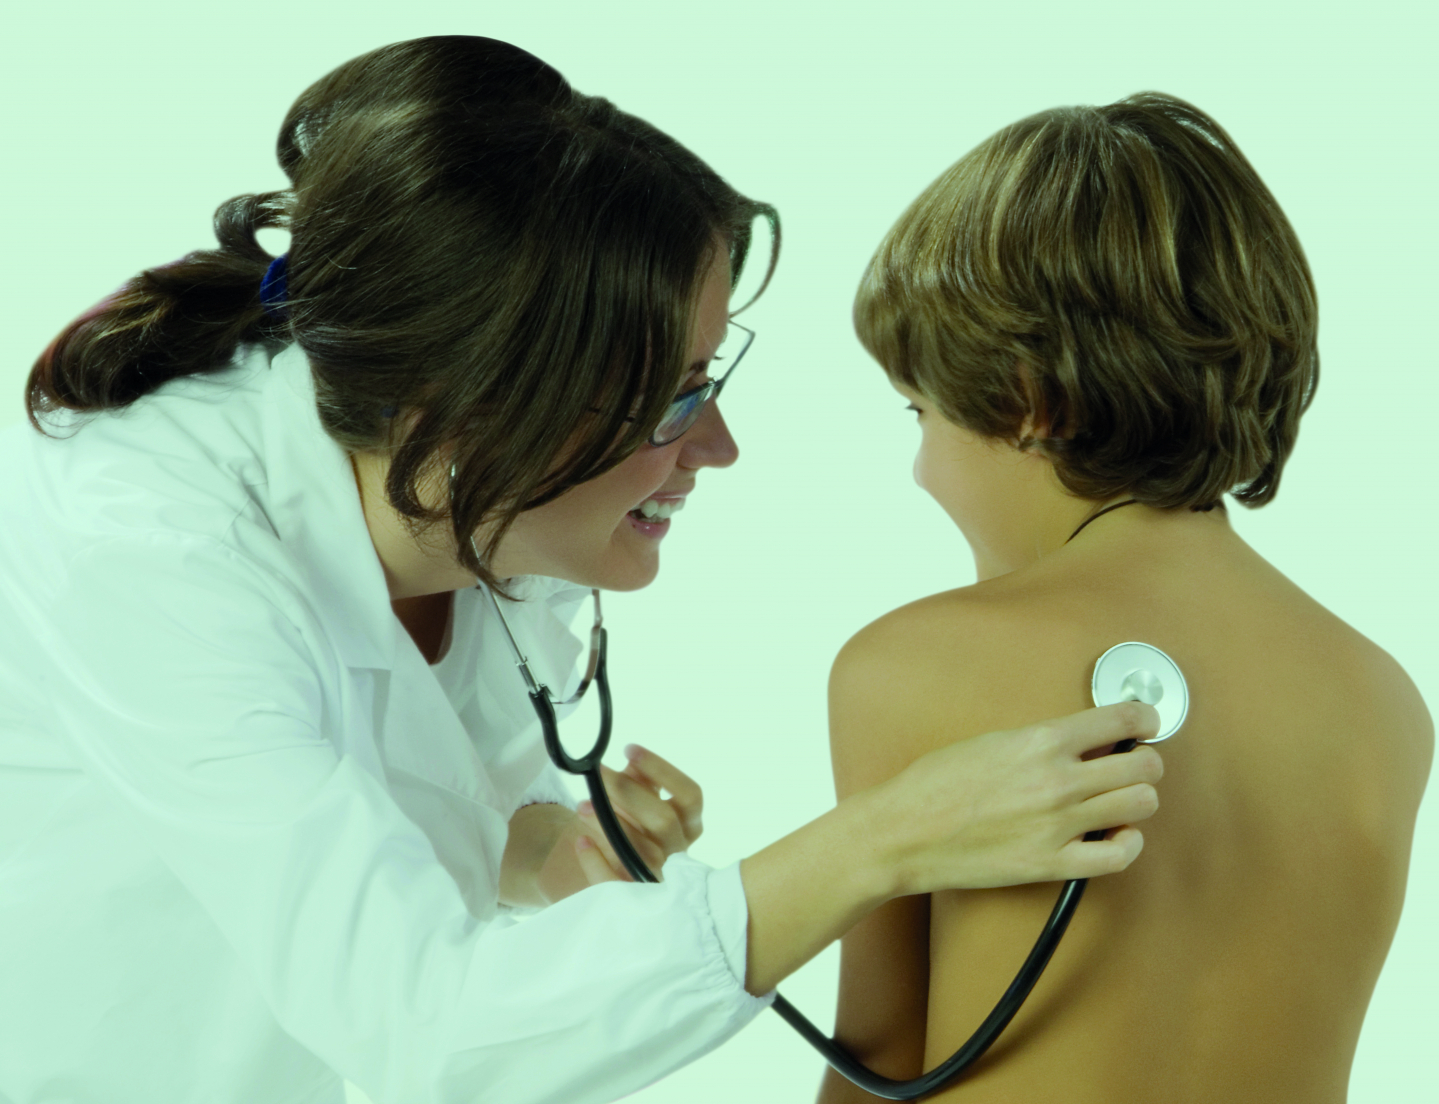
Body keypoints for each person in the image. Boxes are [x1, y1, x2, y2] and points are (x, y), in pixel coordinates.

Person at [0, 36, 1166, 1104]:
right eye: (674, 398)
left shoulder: (478, 509)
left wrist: (544, 852)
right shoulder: (146, 549)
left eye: (708, 378)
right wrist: (883, 841)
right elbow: (419, 1023)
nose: (718, 447)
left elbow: (399, 789)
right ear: (474, 412)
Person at [818, 93, 1434, 1103]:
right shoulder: (1383, 700)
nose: (919, 467)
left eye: (916, 412)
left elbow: (874, 1066)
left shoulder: (911, 664)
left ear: (1028, 400)